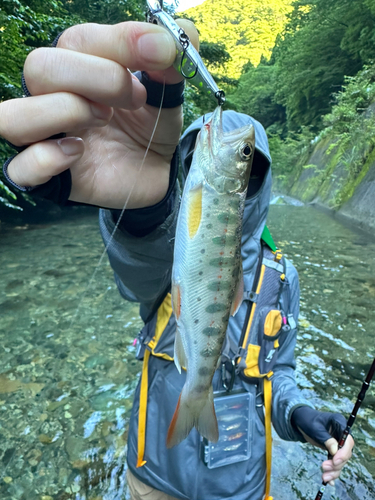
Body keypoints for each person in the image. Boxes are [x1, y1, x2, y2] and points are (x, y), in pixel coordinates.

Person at [0, 19, 354, 500]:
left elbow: (280, 374)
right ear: (184, 164)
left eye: (251, 164)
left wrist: (299, 415)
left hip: (244, 486)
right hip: (154, 478)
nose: (243, 173)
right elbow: (140, 271)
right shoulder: (171, 246)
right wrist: (142, 215)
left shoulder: (282, 275)